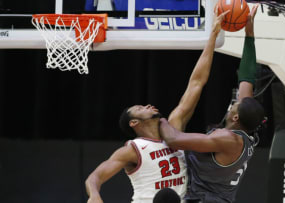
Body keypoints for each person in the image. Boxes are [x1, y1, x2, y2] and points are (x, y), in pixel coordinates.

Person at [85, 8, 230, 203]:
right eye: (140, 108)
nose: (147, 105)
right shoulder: (133, 149)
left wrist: (212, 36)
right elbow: (95, 177)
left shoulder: (173, 128)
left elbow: (196, 83)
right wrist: (94, 194)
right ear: (134, 122)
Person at [159, 4, 263, 203]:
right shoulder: (246, 133)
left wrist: (158, 120)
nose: (234, 102)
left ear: (235, 117)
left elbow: (173, 139)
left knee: (174, 120)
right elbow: (247, 78)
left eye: (236, 104)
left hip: (206, 200)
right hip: (211, 198)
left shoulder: (228, 139)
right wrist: (249, 33)